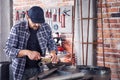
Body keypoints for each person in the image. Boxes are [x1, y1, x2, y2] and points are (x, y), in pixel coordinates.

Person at [4, 6, 58, 80]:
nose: (37, 25)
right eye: (34, 22)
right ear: (27, 17)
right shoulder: (17, 28)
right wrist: (27, 52)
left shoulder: (46, 27)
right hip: (21, 71)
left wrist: (53, 52)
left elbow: (51, 43)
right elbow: (8, 50)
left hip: (39, 69)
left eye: (39, 22)